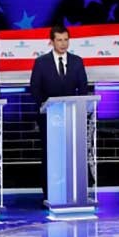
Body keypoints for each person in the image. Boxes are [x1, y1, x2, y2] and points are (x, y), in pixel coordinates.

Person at [29, 24, 89, 200]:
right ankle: (49, 193)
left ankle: (72, 189)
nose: (63, 44)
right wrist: (45, 106)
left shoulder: (77, 61)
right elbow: (35, 88)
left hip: (72, 118)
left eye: (66, 40)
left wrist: (79, 107)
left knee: (71, 153)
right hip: (49, 117)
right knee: (50, 154)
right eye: (59, 40)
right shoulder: (41, 62)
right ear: (52, 42)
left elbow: (83, 88)